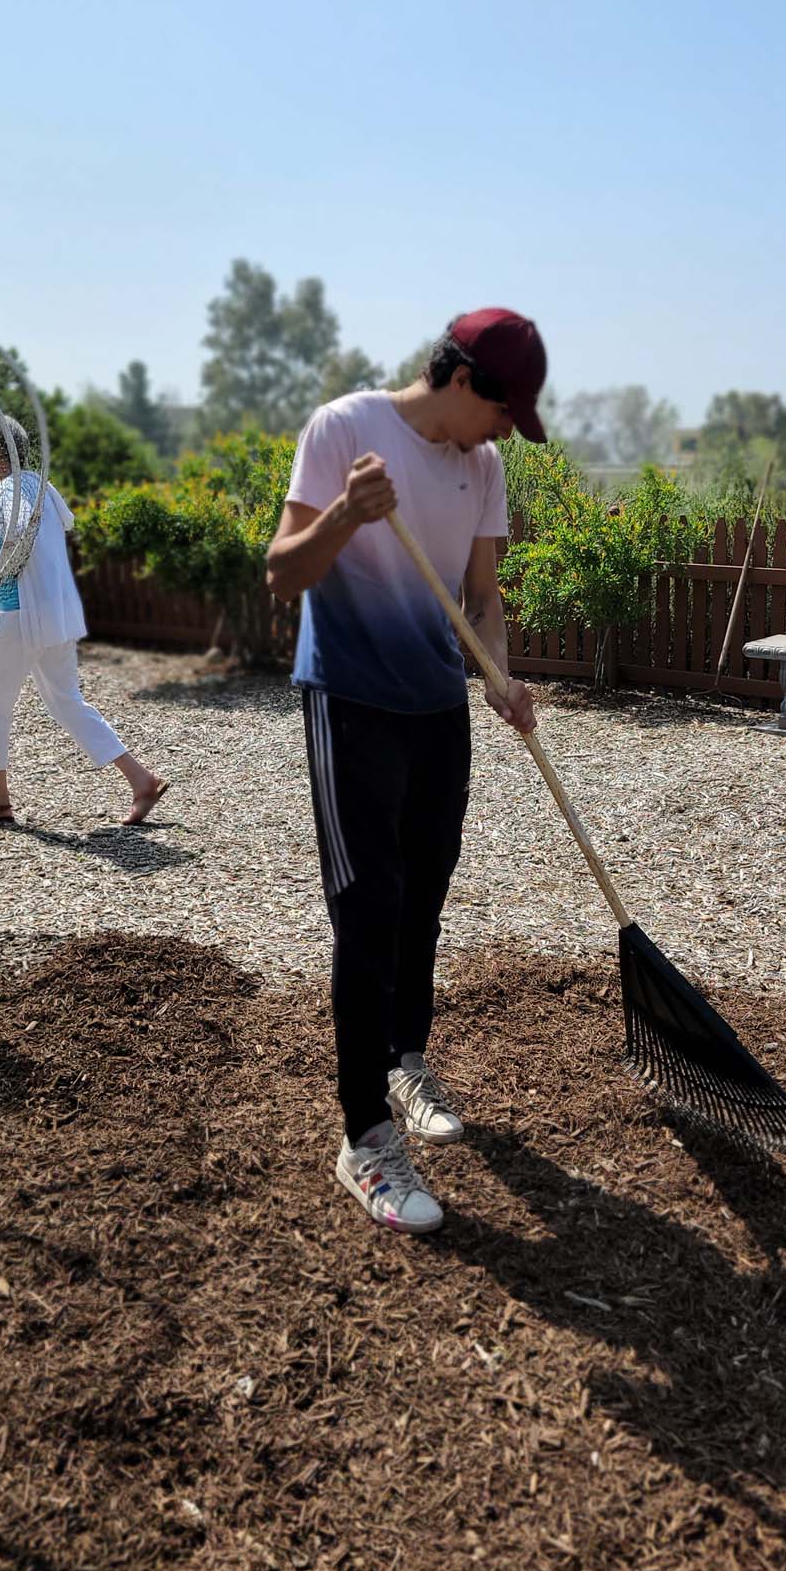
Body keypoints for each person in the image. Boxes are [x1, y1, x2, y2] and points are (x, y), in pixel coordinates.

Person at [267, 307, 546, 1236]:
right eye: (507, 411)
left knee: (423, 893)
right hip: (350, 702)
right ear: (466, 382)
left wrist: (500, 678)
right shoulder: (345, 431)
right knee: (368, 905)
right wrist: (347, 513)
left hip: (437, 709)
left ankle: (405, 1056)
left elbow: (481, 598)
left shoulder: (484, 466)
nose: (510, 432)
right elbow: (282, 574)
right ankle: (365, 1137)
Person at [0, 415, 168, 826]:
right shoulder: (43, 487)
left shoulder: (9, 490)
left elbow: (18, 539)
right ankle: (141, 779)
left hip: (22, 614)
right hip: (55, 613)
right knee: (66, 702)